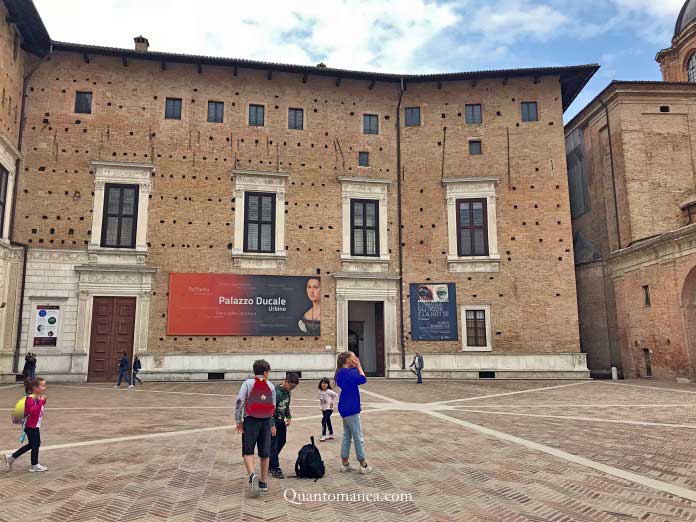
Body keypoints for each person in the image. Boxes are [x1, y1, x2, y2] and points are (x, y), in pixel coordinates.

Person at [235, 359, 276, 497]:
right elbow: (273, 406)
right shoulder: (270, 385)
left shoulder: (247, 384)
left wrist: (238, 420)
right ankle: (263, 482)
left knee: (248, 450)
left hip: (250, 420)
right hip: (265, 421)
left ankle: (252, 475)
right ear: (265, 372)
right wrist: (271, 424)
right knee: (265, 453)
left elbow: (240, 402)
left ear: (254, 371)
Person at [335, 351, 371, 473]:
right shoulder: (349, 373)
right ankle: (363, 464)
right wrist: (359, 366)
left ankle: (345, 463)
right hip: (351, 407)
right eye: (354, 357)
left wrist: (355, 366)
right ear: (348, 360)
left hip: (344, 406)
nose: (356, 359)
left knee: (347, 435)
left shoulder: (340, 372)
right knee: (357, 436)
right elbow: (363, 379)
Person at [5, 377, 48, 473]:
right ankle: (34, 465)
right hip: (31, 426)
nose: (44, 387)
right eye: (42, 385)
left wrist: (43, 400)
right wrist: (41, 401)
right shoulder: (30, 399)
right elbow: (34, 412)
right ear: (35, 388)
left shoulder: (36, 397)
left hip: (34, 425)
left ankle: (12, 457)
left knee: (33, 444)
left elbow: (40, 407)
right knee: (35, 444)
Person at [269, 372, 299, 479]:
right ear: (286, 381)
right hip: (274, 422)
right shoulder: (277, 393)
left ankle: (270, 460)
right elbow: (270, 410)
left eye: (294, 387)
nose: (292, 388)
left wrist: (289, 417)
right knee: (273, 444)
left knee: (282, 441)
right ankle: (275, 468)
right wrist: (272, 425)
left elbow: (286, 406)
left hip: (281, 421)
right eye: (291, 386)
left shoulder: (287, 392)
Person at [318, 377, 338, 442]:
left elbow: (335, 395)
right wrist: (321, 408)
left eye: (326, 383)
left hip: (329, 409)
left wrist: (332, 402)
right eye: (323, 383)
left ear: (328, 384)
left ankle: (323, 435)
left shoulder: (329, 391)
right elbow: (321, 401)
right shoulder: (320, 391)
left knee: (323, 421)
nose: (324, 384)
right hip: (324, 409)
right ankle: (331, 434)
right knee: (328, 421)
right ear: (321, 384)